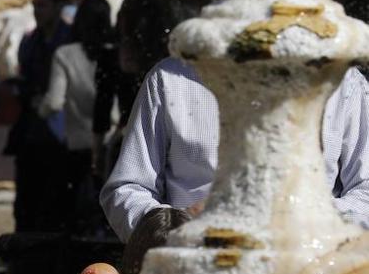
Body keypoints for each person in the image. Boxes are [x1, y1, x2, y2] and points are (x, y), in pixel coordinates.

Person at [101, 59, 369, 240]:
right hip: (191, 270)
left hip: (310, 266)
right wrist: (173, 230)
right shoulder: (171, 78)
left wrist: (314, 222)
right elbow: (127, 188)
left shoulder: (344, 84)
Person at [40, 0, 114, 232]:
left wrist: (39, 108)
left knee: (78, 216)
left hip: (77, 145)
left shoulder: (65, 54)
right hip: (113, 144)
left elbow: (53, 102)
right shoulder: (116, 52)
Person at [8, 0, 72, 232]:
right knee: (27, 200)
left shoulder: (70, 41)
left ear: (58, 6)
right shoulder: (30, 40)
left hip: (61, 132)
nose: (37, 11)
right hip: (32, 131)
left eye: (42, 5)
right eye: (34, 5)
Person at [92, 0, 176, 178]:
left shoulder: (112, 56)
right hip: (165, 142)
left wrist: (97, 151)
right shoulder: (168, 56)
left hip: (128, 139)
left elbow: (102, 106)